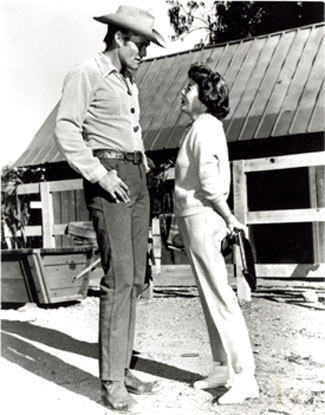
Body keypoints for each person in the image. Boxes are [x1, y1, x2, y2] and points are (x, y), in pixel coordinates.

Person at [54, 5, 166, 412]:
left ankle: (122, 368)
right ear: (119, 37)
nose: (144, 53)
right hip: (111, 179)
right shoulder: (87, 72)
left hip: (136, 176)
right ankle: (110, 382)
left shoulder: (127, 81)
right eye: (140, 45)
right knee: (119, 278)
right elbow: (66, 128)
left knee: (136, 276)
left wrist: (141, 162)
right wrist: (101, 175)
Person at [174, 62, 259, 405]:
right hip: (194, 218)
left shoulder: (206, 127)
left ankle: (244, 377)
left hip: (204, 218)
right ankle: (222, 367)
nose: (183, 92)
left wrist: (229, 218)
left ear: (205, 98)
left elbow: (210, 185)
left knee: (221, 300)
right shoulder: (198, 126)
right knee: (210, 299)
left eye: (189, 89)